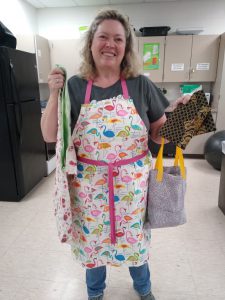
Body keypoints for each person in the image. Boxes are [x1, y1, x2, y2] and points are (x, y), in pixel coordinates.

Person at [41, 9, 190, 300]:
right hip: (88, 190)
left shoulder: (141, 85)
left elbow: (160, 135)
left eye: (118, 39)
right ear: (91, 43)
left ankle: (143, 289)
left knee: (135, 244)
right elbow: (49, 135)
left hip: (132, 189)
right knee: (93, 247)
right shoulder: (74, 86)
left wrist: (184, 116)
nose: (110, 44)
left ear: (126, 47)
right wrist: (53, 95)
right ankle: (95, 293)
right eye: (103, 37)